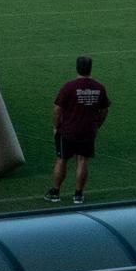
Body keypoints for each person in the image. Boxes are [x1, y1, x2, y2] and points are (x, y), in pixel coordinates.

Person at [45, 55, 110, 204]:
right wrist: (98, 124)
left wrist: (56, 126)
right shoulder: (99, 87)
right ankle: (78, 194)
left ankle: (55, 192)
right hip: (88, 131)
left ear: (77, 67)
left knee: (61, 160)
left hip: (68, 130)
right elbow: (105, 109)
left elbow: (57, 109)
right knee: (82, 160)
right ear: (90, 68)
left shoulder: (69, 86)